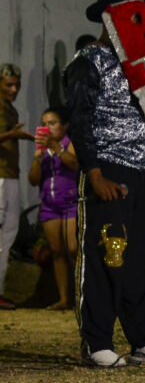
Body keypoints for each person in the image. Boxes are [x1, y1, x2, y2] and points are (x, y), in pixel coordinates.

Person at [64, 0, 145, 368]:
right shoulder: (88, 62)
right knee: (106, 255)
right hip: (108, 169)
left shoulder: (144, 67)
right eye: (130, 15)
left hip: (144, 168)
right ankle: (97, 340)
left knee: (143, 255)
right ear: (111, 18)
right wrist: (95, 173)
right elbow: (79, 120)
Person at [26, 106, 79, 309]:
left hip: (70, 203)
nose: (46, 127)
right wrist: (37, 160)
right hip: (49, 205)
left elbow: (74, 164)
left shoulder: (69, 143)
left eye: (52, 123)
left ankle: (82, 295)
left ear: (64, 126)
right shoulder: (41, 149)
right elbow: (33, 180)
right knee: (56, 251)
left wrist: (57, 148)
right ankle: (64, 299)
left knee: (73, 249)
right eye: (44, 123)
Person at [0, 64, 35, 308]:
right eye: (8, 85)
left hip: (10, 175)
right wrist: (12, 136)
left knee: (7, 236)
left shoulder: (8, 108)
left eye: (16, 85)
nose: (14, 89)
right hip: (1, 177)